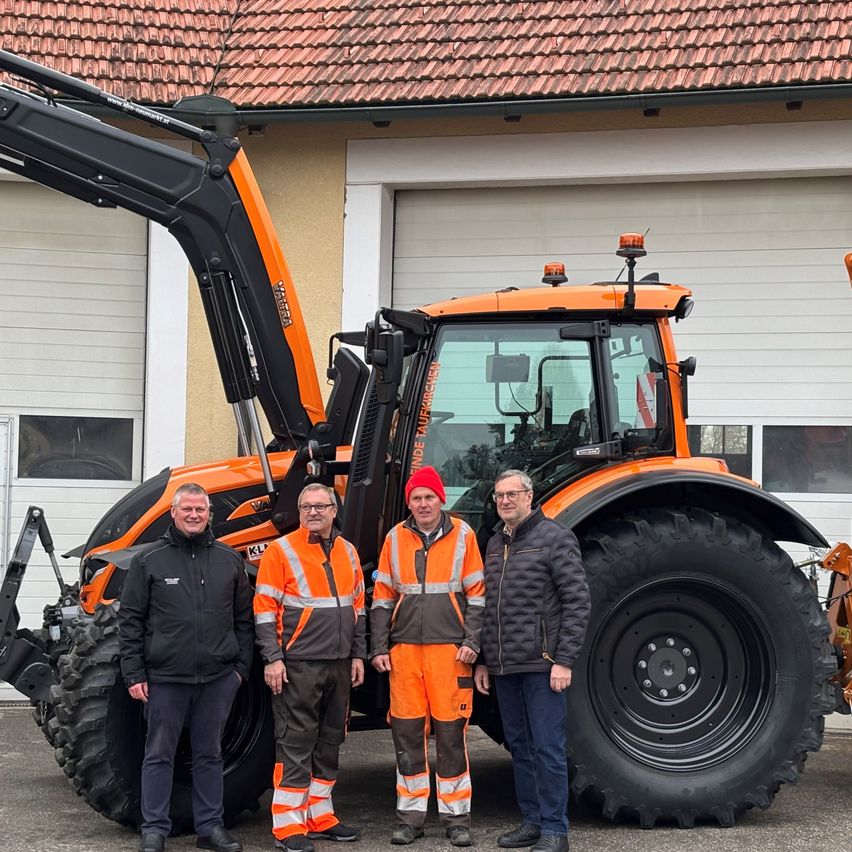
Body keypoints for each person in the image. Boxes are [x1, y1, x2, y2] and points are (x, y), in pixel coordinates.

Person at [119, 482, 253, 852]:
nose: (194, 515)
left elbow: (244, 620)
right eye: (187, 509)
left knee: (209, 754)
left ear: (209, 514)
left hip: (217, 680)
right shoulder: (149, 561)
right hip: (165, 680)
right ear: (173, 513)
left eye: (200, 509)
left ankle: (210, 828)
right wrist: (134, 674)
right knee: (158, 754)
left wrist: (238, 670)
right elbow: (130, 621)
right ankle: (154, 830)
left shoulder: (229, 561)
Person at [474, 470, 590, 852]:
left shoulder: (555, 538)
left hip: (543, 666)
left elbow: (577, 602)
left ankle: (556, 830)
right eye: (499, 496)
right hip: (504, 668)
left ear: (529, 495)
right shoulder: (494, 543)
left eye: (512, 494)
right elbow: (488, 607)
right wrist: (483, 661)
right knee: (519, 746)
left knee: (548, 748)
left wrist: (564, 660)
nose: (505, 501)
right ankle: (531, 821)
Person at [370, 466, 485, 848]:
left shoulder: (464, 536)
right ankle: (410, 818)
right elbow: (382, 598)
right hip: (403, 653)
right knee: (407, 737)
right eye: (416, 498)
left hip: (450, 653)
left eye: (429, 497)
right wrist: (378, 647)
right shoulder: (394, 539)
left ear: (441, 500)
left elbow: (478, 595)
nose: (423, 504)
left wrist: (472, 641)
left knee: (451, 737)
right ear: (410, 503)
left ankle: (456, 820)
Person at [254, 483, 366, 852]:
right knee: (295, 744)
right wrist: (273, 658)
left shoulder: (348, 551)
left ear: (334, 510)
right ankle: (288, 827)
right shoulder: (280, 550)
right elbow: (265, 610)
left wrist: (357, 655)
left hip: (338, 663)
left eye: (320, 506)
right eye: (306, 507)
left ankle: (320, 817)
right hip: (298, 664)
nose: (313, 512)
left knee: (330, 742)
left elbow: (357, 608)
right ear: (299, 512)